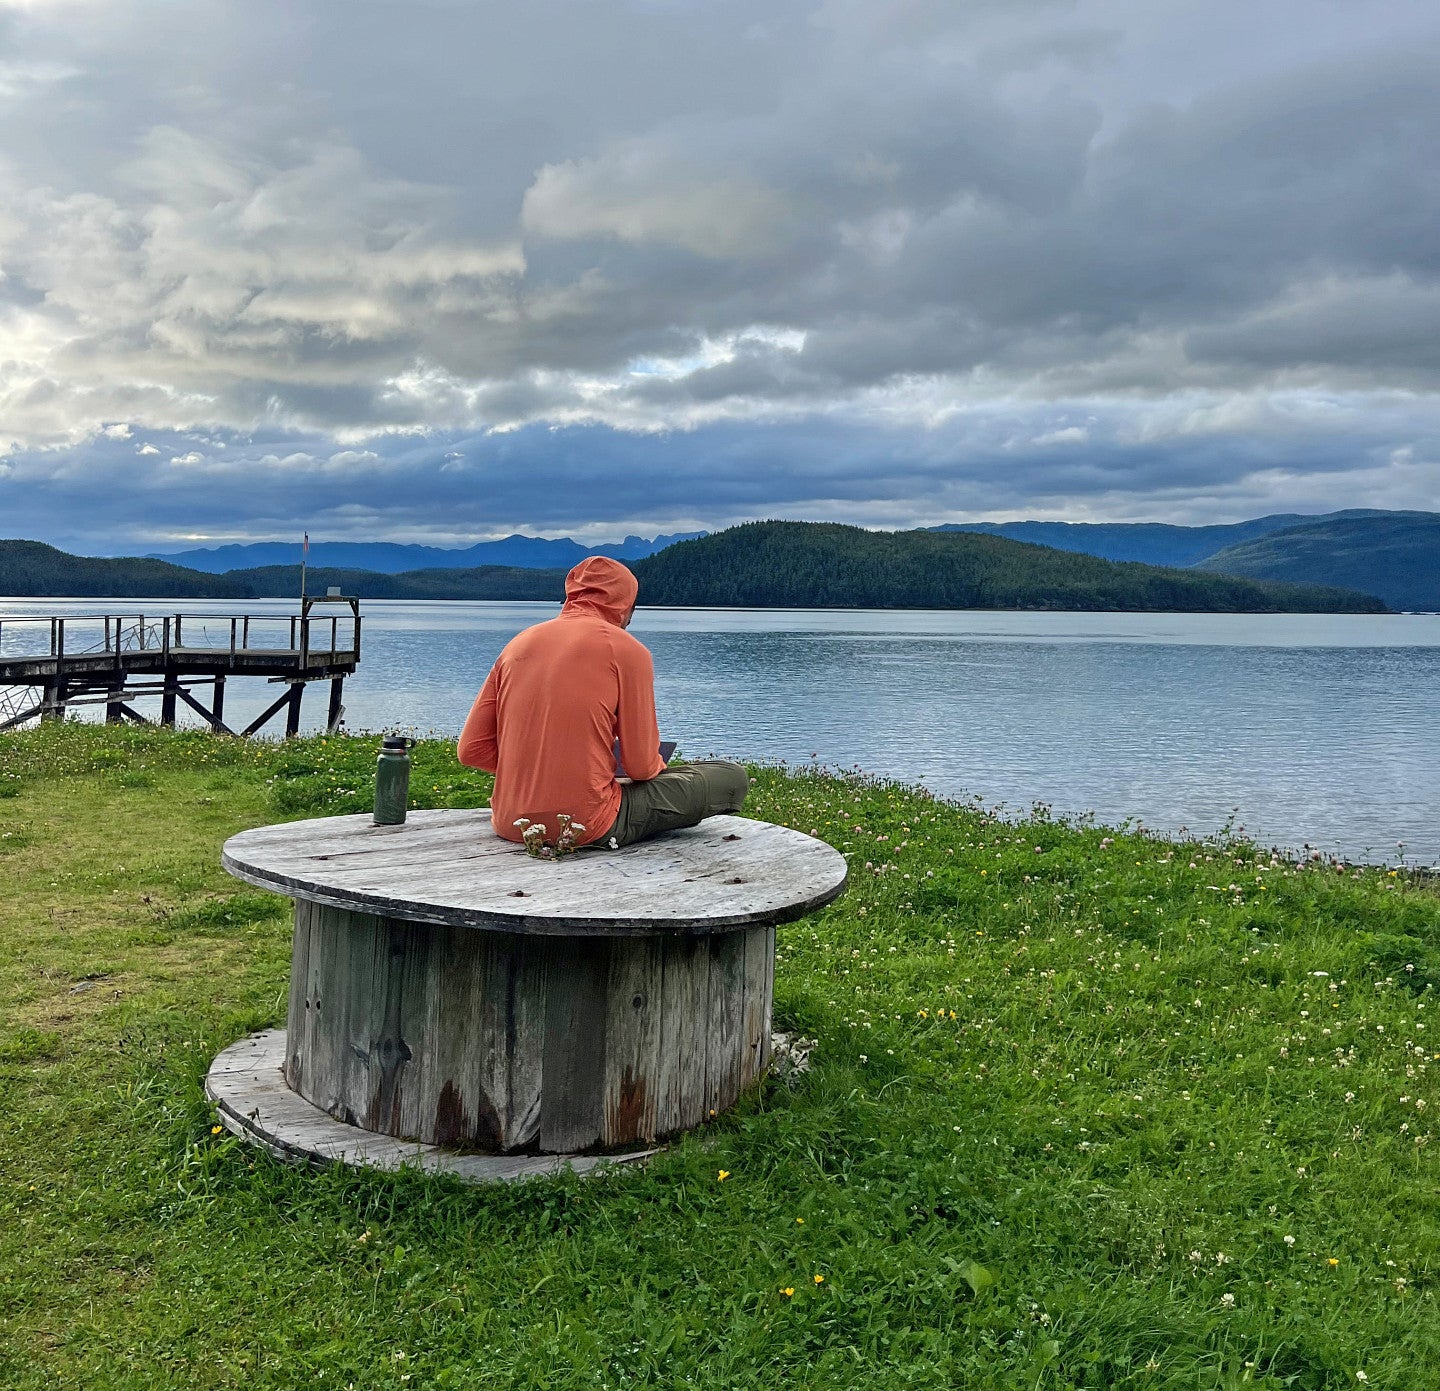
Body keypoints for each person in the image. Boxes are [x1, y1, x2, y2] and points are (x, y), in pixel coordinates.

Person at [457, 555, 748, 849]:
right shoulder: (627, 650)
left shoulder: (518, 644)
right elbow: (641, 767)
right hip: (590, 824)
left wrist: (543, 772)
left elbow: (472, 751)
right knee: (730, 777)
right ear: (626, 603)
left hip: (510, 823)